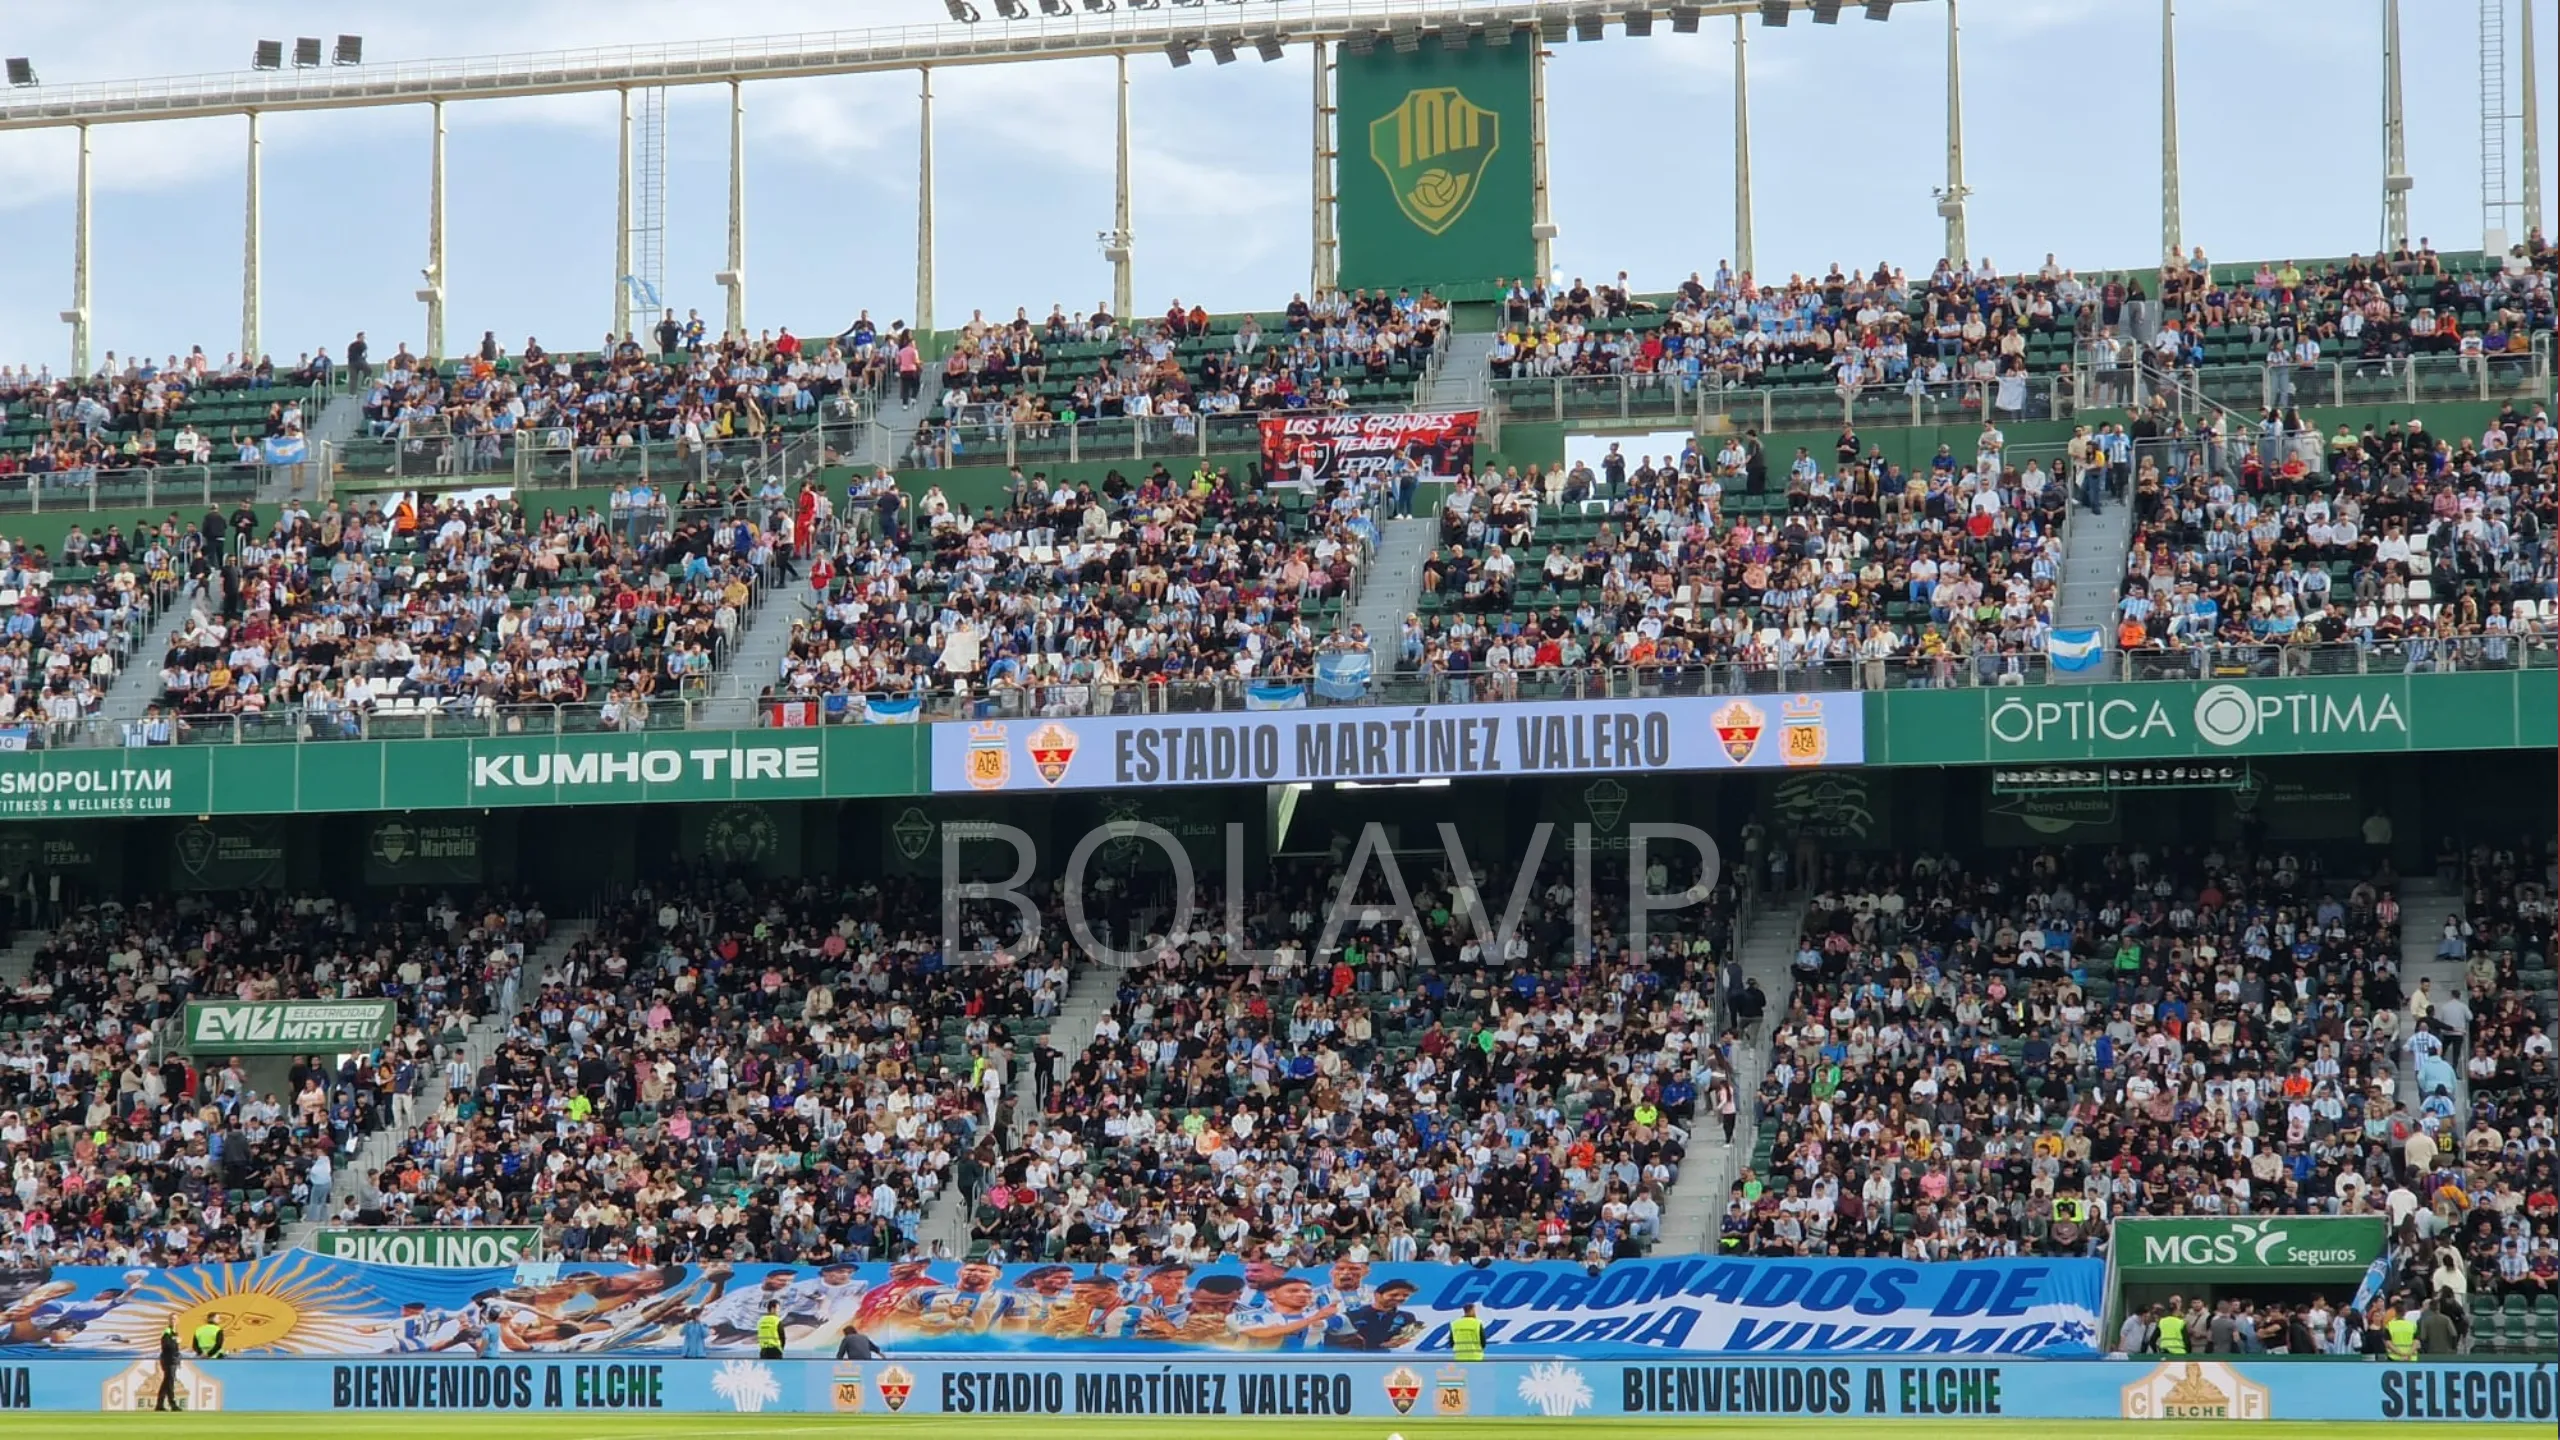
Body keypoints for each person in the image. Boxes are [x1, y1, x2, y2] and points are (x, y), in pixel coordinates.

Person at [156, 1322, 183, 1412]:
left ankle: (160, 1404)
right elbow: (166, 1345)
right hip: (168, 1359)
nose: (174, 1321)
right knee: (169, 1381)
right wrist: (175, 1341)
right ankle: (172, 1403)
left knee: (167, 1381)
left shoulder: (174, 1333)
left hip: (172, 1359)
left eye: (175, 1319)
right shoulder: (167, 1332)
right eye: (172, 1319)